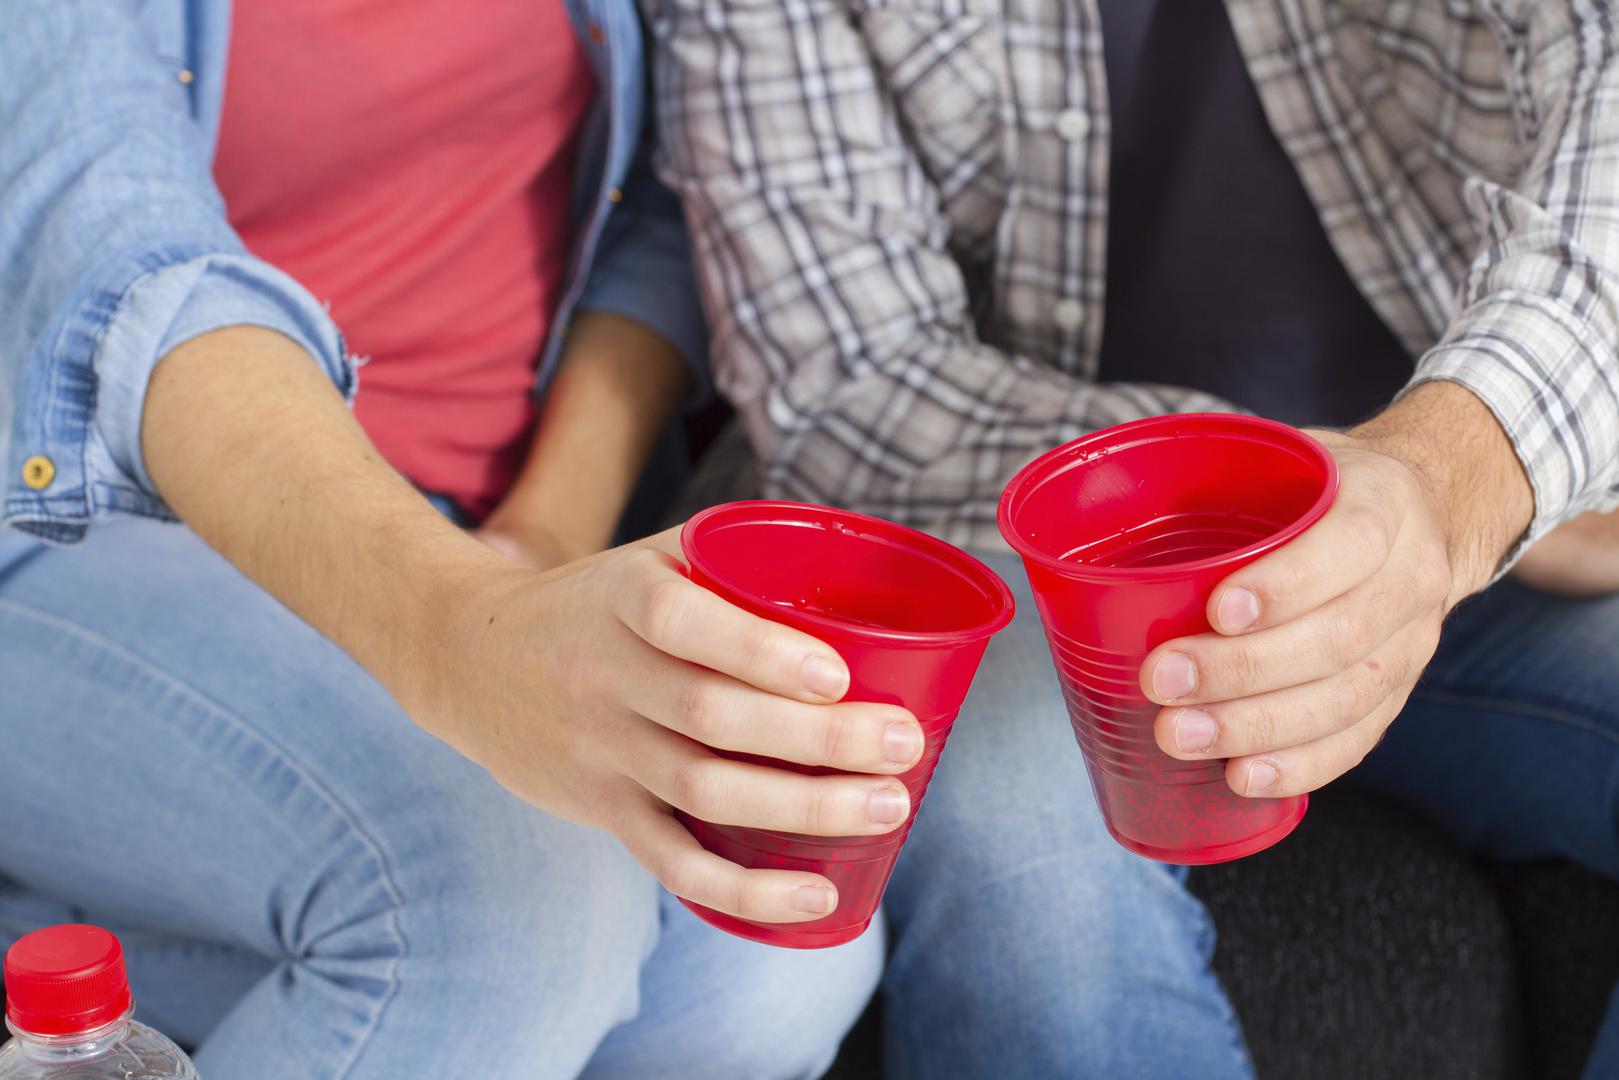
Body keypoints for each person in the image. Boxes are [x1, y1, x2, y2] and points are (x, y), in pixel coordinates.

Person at [646, 0, 1619, 1075]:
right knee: (1014, 828)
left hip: (1480, 531)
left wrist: (1469, 466)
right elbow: (853, 388)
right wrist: (1298, 484)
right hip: (1038, 583)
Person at [0, 2, 937, 1076]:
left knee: (764, 958)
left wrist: (541, 537)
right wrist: (454, 630)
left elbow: (660, 210)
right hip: (90, 525)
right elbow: (117, 253)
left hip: (475, 524)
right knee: (510, 911)